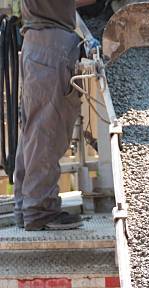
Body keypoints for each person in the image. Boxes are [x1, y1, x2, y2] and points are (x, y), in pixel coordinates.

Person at [13, 0, 94, 230]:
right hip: (51, 45)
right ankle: (41, 210)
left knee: (33, 131)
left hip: (37, 43)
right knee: (47, 131)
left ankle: (27, 206)